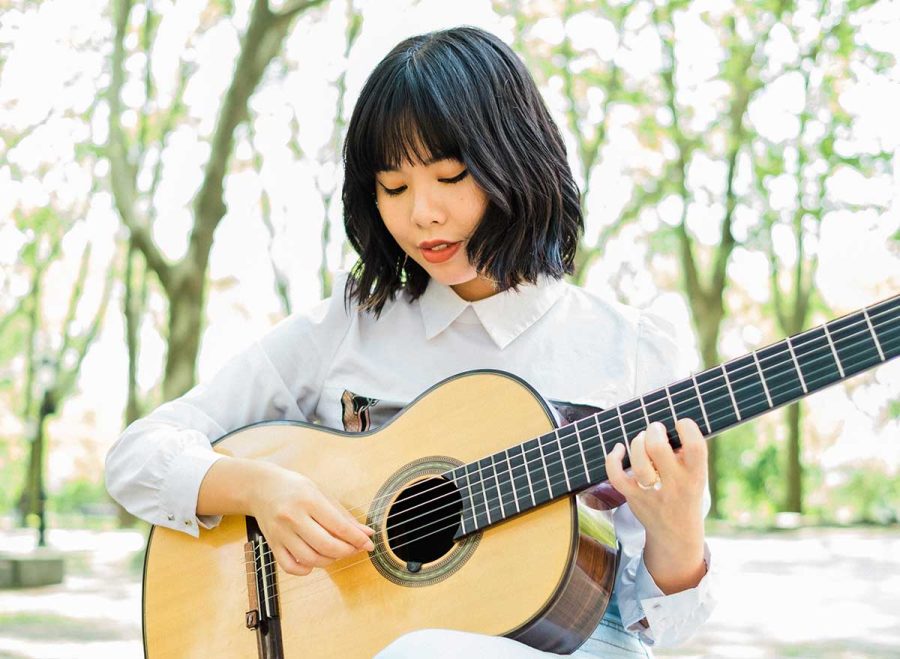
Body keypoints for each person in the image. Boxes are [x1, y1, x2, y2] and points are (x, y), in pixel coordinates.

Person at [106, 25, 714, 657]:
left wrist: (678, 530)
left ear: (518, 160)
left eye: (450, 177)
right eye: (393, 188)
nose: (421, 213)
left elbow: (663, 627)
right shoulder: (348, 325)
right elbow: (136, 458)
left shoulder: (635, 349)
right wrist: (259, 488)